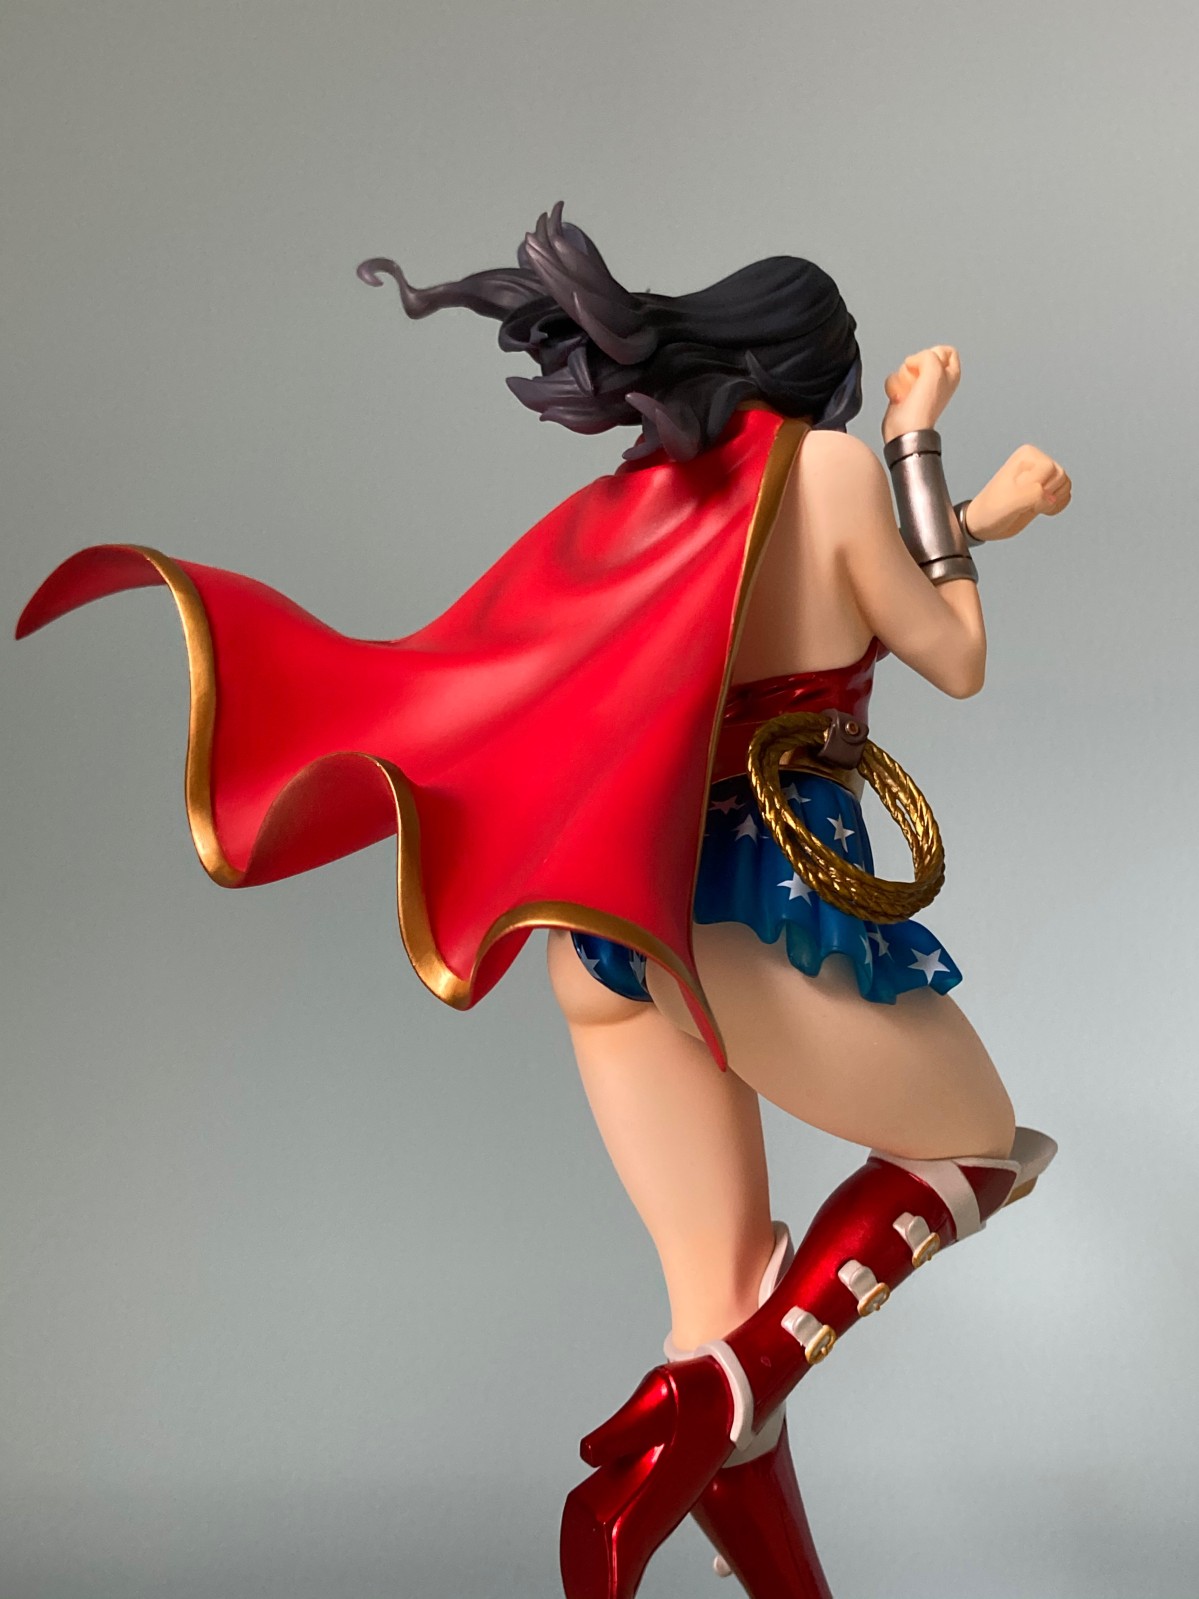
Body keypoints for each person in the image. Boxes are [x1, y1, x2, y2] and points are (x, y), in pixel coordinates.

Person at [17, 206, 1071, 1599]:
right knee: (983, 1145)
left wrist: (979, 515)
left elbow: (824, 584)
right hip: (755, 912)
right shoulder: (833, 468)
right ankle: (726, 1393)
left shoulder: (656, 496)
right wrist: (920, 443)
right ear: (824, 370)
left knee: (720, 1303)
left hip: (611, 925)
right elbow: (951, 649)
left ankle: (703, 1462)